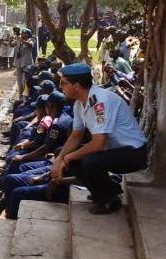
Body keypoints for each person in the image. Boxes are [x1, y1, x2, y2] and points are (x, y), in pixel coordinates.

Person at [51, 63, 148, 215]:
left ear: (76, 86)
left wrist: (67, 158)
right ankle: (105, 190)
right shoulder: (79, 104)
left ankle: (110, 201)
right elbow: (76, 136)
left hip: (134, 153)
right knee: (62, 153)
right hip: (114, 151)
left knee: (89, 160)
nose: (60, 86)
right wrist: (60, 159)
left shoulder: (100, 101)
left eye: (63, 83)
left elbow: (97, 144)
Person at [15, 29, 35, 99]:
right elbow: (12, 44)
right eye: (22, 33)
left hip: (26, 63)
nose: (22, 34)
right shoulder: (19, 40)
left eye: (23, 33)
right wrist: (10, 40)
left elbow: (30, 45)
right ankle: (20, 97)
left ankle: (25, 97)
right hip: (18, 63)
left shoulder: (31, 39)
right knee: (19, 81)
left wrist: (21, 40)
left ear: (28, 34)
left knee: (24, 81)